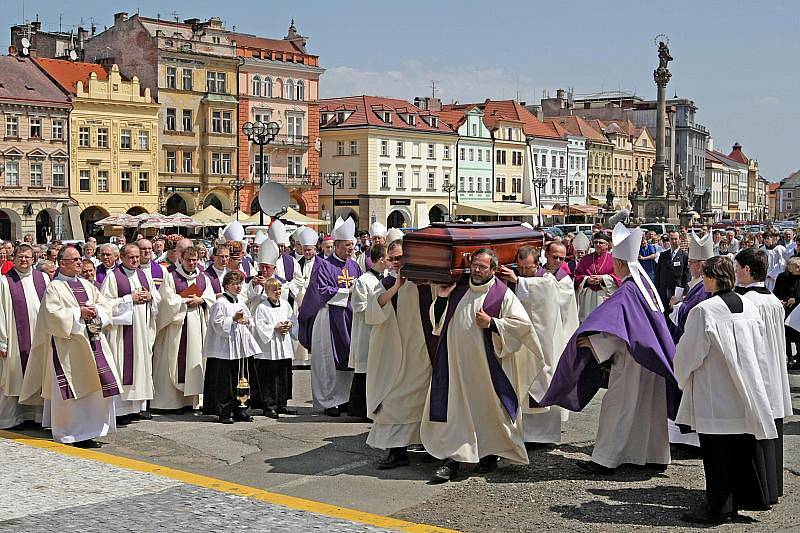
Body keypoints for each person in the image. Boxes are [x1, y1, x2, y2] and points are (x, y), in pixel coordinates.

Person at [540, 223, 679, 475]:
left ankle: (605, 459)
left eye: (616, 260)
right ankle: (653, 455)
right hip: (650, 359)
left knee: (618, 407)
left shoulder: (628, 290)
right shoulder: (644, 287)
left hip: (632, 361)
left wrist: (593, 343)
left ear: (622, 264)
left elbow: (619, 328)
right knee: (649, 408)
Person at [421, 248, 542, 482]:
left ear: (493, 269)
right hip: (456, 366)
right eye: (474, 264)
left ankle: (488, 455)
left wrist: (493, 323)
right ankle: (453, 461)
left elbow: (522, 326)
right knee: (457, 413)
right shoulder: (459, 289)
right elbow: (437, 323)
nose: (476, 270)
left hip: (488, 368)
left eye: (482, 267)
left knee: (490, 413)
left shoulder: (502, 294)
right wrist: (443, 298)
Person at [674, 256, 778, 524]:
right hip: (745, 392)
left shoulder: (705, 310)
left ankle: (718, 507)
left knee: (717, 454)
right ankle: (739, 503)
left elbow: (689, 354)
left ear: (710, 277)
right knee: (741, 450)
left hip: (715, 395)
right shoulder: (749, 306)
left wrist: (681, 377)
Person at [20, 245, 123, 448]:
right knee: (72, 393)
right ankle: (69, 433)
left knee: (94, 390)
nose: (79, 262)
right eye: (74, 259)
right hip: (67, 349)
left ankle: (89, 431)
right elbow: (51, 316)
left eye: (79, 259)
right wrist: (78, 313)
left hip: (92, 344)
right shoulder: (54, 287)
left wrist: (96, 311)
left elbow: (105, 305)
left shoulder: (87, 285)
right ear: (62, 263)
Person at [364, 239, 434, 469]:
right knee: (392, 401)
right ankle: (397, 451)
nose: (396, 263)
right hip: (394, 352)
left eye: (400, 258)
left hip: (422, 351)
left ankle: (430, 446)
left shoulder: (425, 281)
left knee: (426, 401)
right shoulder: (385, 283)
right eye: (392, 259)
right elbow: (372, 312)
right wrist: (395, 287)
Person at [498, 243, 576, 446]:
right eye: (520, 268)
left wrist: (519, 282)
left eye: (528, 268)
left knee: (542, 382)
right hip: (522, 341)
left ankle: (544, 436)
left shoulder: (548, 279)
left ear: (537, 263)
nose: (524, 272)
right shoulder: (516, 279)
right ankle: (523, 433)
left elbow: (544, 292)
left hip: (544, 342)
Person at [733, 248, 793, 505]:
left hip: (758, 373)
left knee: (753, 434)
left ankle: (754, 494)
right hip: (776, 375)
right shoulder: (772, 300)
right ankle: (772, 487)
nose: (735, 272)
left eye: (737, 267)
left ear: (747, 270)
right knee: (771, 433)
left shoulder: (748, 302)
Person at [298, 217, 362, 416]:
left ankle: (343, 399)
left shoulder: (354, 266)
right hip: (327, 319)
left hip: (348, 318)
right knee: (327, 362)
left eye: (352, 245)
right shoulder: (323, 265)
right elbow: (320, 290)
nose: (351, 249)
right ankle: (327, 402)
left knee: (346, 361)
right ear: (337, 245)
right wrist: (347, 292)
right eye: (347, 245)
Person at [666, 232, 714, 447]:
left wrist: (677, 304)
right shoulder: (697, 283)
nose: (689, 266)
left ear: (701, 265)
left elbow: (692, 313)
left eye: (693, 262)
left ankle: (690, 439)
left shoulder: (704, 286)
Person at [152, 246, 215, 411]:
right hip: (177, 327)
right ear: (181, 259)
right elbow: (165, 300)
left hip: (197, 326)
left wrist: (201, 301)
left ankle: (192, 401)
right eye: (189, 260)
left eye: (195, 260)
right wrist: (185, 301)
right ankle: (173, 403)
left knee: (195, 359)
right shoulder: (171, 277)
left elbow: (211, 298)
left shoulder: (203, 278)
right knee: (173, 361)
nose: (192, 263)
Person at [101, 244, 159, 423]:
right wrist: (129, 299)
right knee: (123, 367)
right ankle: (120, 411)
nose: (135, 260)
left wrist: (150, 297)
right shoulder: (113, 277)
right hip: (122, 333)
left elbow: (157, 297)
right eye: (131, 257)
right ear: (122, 258)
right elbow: (105, 304)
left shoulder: (143, 275)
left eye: (137, 257)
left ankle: (138, 408)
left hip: (141, 330)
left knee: (141, 365)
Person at [0, 244, 48, 428]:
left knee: (38, 375)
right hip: (14, 338)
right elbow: (1, 312)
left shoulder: (43, 278)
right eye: (20, 257)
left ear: (33, 258)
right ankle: (12, 418)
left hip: (40, 337)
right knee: (14, 377)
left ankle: (36, 417)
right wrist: (2, 342)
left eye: (28, 257)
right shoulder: (5, 281)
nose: (24, 260)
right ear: (14, 258)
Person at [202, 270, 259, 424]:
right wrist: (233, 319)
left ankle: (240, 409)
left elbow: (250, 320)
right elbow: (218, 325)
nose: (237, 287)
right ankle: (224, 412)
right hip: (224, 349)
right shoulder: (220, 303)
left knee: (240, 380)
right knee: (224, 382)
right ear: (226, 285)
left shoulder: (240, 302)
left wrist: (246, 321)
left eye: (239, 284)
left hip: (239, 348)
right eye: (234, 284)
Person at [348, 244, 391, 420]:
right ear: (381, 259)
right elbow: (358, 307)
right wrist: (378, 307)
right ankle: (361, 410)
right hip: (367, 330)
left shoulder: (387, 278)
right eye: (389, 258)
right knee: (365, 371)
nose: (390, 262)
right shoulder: (363, 281)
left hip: (382, 329)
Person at [252, 277, 298, 419]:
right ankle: (269, 406)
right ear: (267, 291)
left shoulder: (285, 305)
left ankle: (282, 403)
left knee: (284, 376)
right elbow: (259, 326)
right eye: (274, 290)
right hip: (269, 348)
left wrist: (289, 325)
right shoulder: (262, 307)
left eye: (279, 289)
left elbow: (294, 319)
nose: (277, 292)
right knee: (269, 378)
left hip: (284, 345)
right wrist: (274, 327)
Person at [573, 232, 619, 322]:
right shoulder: (585, 259)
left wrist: (603, 279)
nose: (597, 245)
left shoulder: (613, 259)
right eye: (596, 242)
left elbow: (619, 277)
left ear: (607, 244)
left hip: (604, 295)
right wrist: (586, 280)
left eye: (600, 243)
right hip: (588, 298)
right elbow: (577, 276)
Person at [292, 227, 319, 366]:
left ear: (315, 249)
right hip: (301, 299)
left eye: (310, 249)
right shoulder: (297, 264)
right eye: (305, 249)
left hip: (316, 301)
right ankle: (301, 358)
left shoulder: (321, 264)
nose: (307, 252)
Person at [268, 219, 303, 306]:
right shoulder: (266, 260)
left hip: (289, 299)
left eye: (282, 246)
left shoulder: (291, 260)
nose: (280, 249)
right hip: (270, 299)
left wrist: (288, 287)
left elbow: (299, 280)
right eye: (278, 246)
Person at [774, 257, 800, 369]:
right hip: (785, 309)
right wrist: (779, 300)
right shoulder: (782, 277)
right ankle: (789, 358)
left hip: (798, 310)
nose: (799, 269)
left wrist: (796, 299)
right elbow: (776, 292)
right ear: (790, 268)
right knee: (786, 336)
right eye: (797, 267)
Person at [655, 230, 688, 311]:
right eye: (672, 239)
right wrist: (655, 291)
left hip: (676, 292)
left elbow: (686, 276)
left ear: (679, 239)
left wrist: (685, 292)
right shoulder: (663, 255)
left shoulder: (684, 256)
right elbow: (658, 274)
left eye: (676, 239)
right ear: (669, 239)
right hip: (663, 291)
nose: (674, 241)